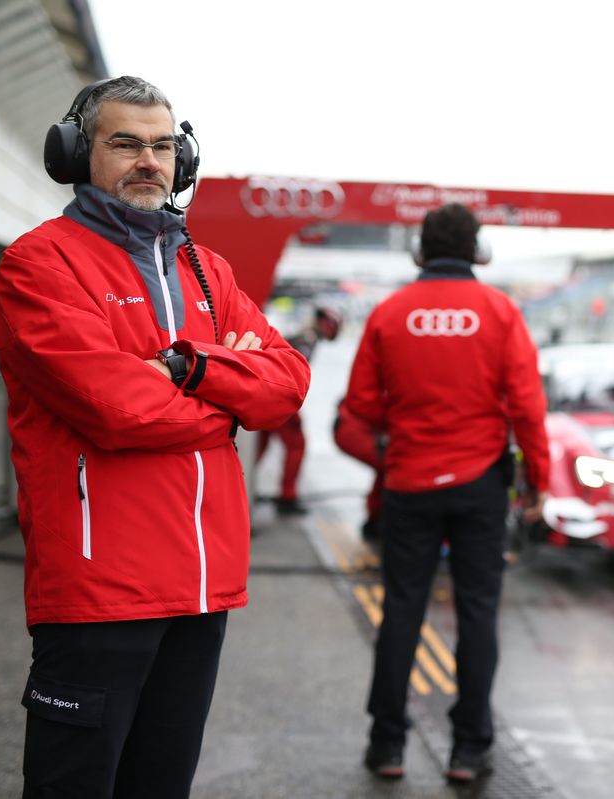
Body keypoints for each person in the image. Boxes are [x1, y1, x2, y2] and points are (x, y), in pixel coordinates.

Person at [0, 76, 310, 798]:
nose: (148, 161)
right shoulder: (40, 263)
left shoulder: (209, 270)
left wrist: (187, 367)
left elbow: (288, 382)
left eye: (163, 147)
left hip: (203, 588)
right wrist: (230, 400)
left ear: (182, 160)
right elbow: (118, 408)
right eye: (125, 143)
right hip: (100, 588)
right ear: (77, 153)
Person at [344, 203, 549, 783]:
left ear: (420, 252)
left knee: (402, 610)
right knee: (477, 613)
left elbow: (360, 404)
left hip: (409, 482)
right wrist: (539, 482)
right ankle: (469, 750)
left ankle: (387, 744)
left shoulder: (389, 312)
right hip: (480, 484)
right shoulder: (500, 311)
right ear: (478, 251)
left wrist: (407, 417)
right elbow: (528, 408)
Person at [255, 305, 342, 514]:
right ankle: (288, 496)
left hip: (267, 398)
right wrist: (291, 411)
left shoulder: (301, 335)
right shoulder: (306, 340)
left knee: (260, 446)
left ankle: (241, 484)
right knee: (297, 445)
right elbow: (289, 376)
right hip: (276, 399)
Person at [332, 398, 386, 540]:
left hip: (350, 423)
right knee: (394, 468)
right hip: (354, 427)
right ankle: (377, 521)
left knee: (389, 469)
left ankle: (376, 520)